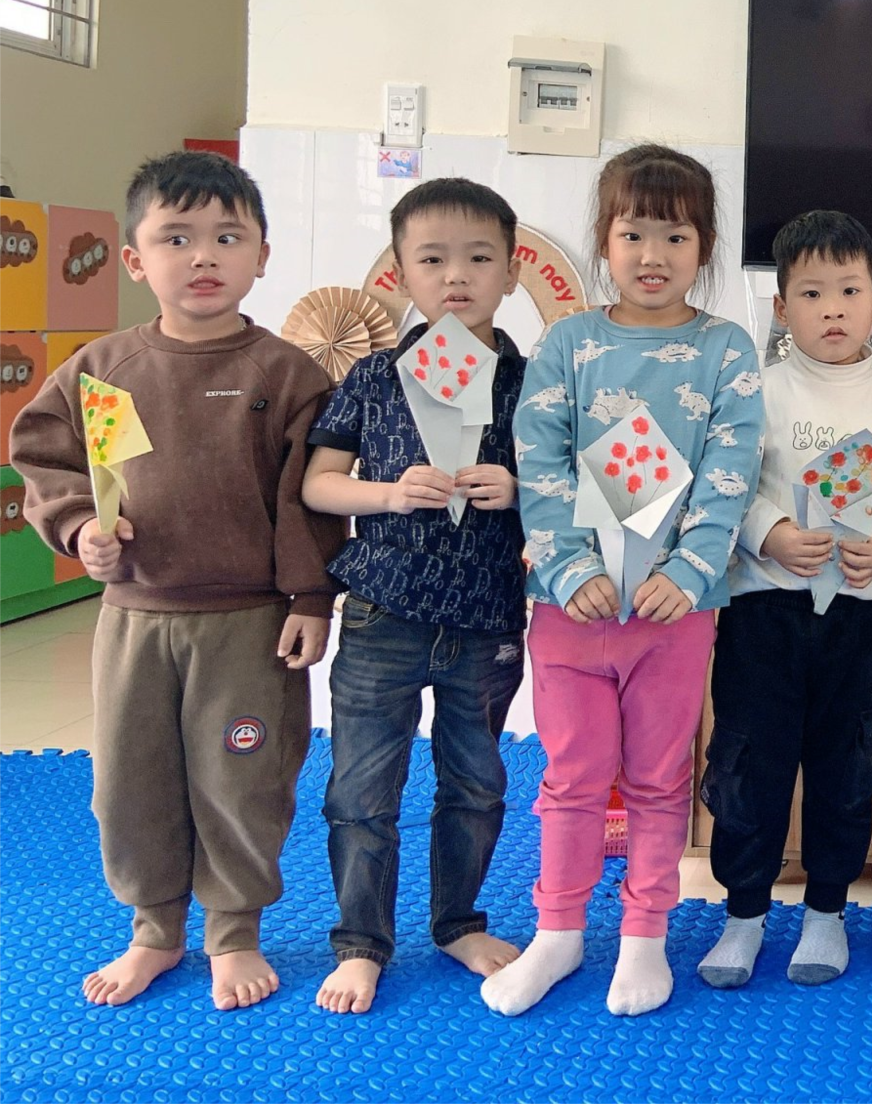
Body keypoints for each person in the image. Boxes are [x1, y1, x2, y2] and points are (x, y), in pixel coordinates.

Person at [10, 150, 344, 1010]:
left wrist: (312, 598)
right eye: (177, 238)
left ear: (262, 256)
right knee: (129, 781)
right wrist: (80, 528)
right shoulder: (102, 370)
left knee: (243, 779)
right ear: (134, 259)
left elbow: (309, 499)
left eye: (228, 238)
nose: (203, 257)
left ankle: (233, 929)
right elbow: (48, 459)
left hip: (249, 624)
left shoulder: (287, 375)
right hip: (134, 618)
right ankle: (155, 929)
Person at [482, 144, 765, 1018]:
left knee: (658, 777)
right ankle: (558, 932)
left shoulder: (725, 349)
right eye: (633, 232)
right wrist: (569, 567)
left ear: (704, 246)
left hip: (675, 614)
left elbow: (731, 469)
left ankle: (645, 936)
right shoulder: (568, 343)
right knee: (572, 775)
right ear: (603, 240)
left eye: (675, 235)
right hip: (572, 610)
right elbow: (539, 460)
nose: (652, 254)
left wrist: (690, 568)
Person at [305, 178, 531, 1014]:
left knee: (476, 785)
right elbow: (320, 483)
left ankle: (458, 923)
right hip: (383, 613)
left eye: (479, 258)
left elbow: (575, 487)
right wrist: (389, 493)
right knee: (361, 791)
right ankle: (361, 942)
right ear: (400, 275)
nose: (456, 276)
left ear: (512, 271)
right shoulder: (374, 376)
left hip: (487, 619)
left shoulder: (534, 383)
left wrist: (521, 488)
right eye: (432, 260)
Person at [698, 210, 872, 990]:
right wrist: (770, 534)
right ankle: (744, 913)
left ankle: (827, 909)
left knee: (845, 763)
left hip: (855, 612)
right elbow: (729, 485)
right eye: (813, 292)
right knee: (748, 763)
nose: (833, 309)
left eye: (850, 291)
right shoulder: (755, 391)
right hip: (764, 609)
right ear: (781, 306)